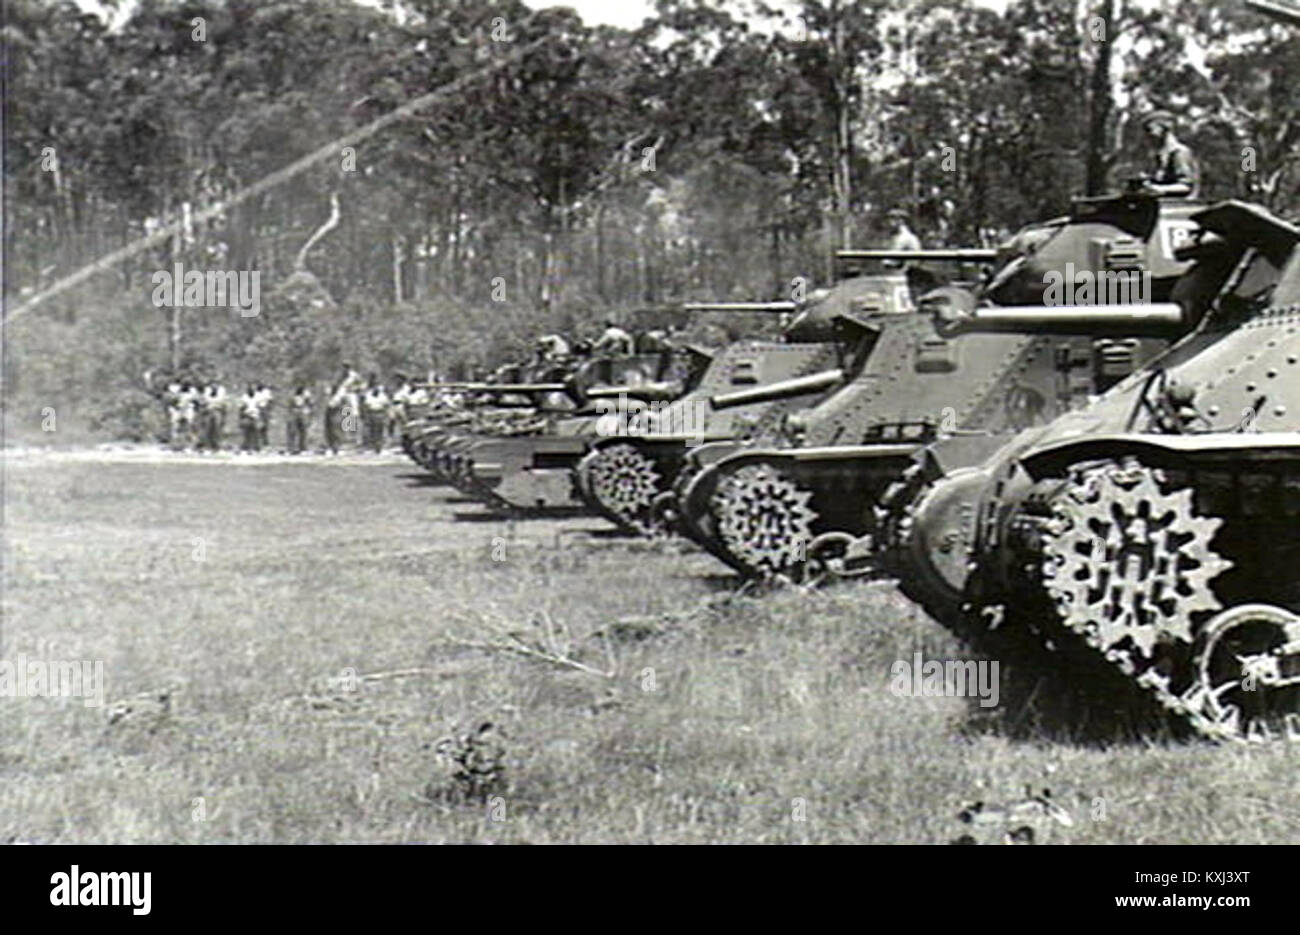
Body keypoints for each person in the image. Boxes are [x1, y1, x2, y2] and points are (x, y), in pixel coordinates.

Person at [1141, 110, 1200, 198]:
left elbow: (1185, 186)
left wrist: (1158, 189)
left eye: (1150, 130)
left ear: (1164, 128)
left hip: (1178, 207)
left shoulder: (1178, 152)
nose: (1148, 136)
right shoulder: (1161, 155)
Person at [361, 377, 390, 453]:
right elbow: (365, 406)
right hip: (371, 414)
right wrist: (365, 416)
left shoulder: (383, 396)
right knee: (372, 431)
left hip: (380, 414)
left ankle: (379, 447)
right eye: (374, 387)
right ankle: (373, 446)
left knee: (380, 431)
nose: (376, 389)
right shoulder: (368, 395)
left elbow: (386, 406)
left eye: (377, 387)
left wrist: (386, 416)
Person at [199, 380, 227, 451]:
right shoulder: (207, 392)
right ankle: (207, 445)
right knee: (207, 428)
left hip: (217, 411)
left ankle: (217, 445)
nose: (214, 386)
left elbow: (221, 401)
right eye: (212, 385)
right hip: (208, 412)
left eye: (215, 385)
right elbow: (204, 401)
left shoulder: (222, 392)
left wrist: (213, 404)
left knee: (217, 429)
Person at [287, 385, 313, 454]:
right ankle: (291, 448)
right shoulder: (296, 398)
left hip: (303, 417)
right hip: (295, 417)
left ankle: (303, 448)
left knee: (304, 433)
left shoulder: (307, 400)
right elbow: (297, 405)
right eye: (306, 391)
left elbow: (310, 407)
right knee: (293, 432)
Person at [238, 383, 261, 452]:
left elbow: (261, 407)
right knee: (246, 431)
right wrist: (242, 417)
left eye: (253, 389)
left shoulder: (258, 396)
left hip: (256, 416)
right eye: (250, 389)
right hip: (247, 416)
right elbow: (241, 408)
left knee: (256, 431)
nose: (252, 390)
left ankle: (256, 446)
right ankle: (245, 446)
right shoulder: (244, 397)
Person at [254, 383, 274, 449]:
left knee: (264, 428)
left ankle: (265, 444)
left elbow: (271, 401)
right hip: (259, 410)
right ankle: (259, 445)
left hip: (264, 410)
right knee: (259, 427)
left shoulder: (266, 392)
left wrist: (269, 410)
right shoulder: (256, 394)